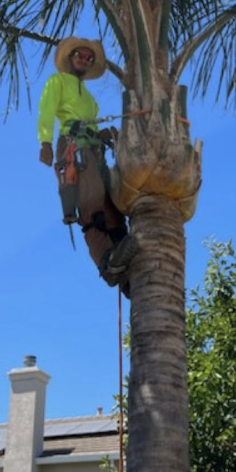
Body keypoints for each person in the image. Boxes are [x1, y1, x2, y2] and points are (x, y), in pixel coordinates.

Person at [38, 37, 136, 288]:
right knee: (91, 203)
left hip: (93, 148)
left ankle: (128, 271)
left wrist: (102, 134)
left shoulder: (90, 98)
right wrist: (45, 143)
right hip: (73, 145)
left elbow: (90, 122)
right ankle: (107, 262)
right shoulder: (57, 81)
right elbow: (47, 111)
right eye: (80, 55)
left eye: (89, 58)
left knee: (110, 205)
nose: (85, 59)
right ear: (69, 58)